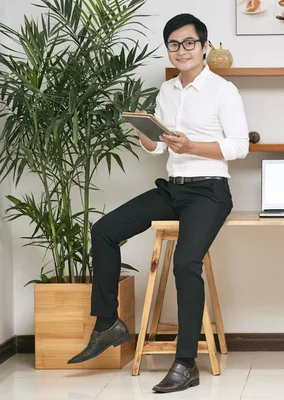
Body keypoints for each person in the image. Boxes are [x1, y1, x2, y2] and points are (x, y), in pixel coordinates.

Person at [68, 14, 249, 394]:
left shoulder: (223, 90)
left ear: (204, 47)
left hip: (210, 191)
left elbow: (239, 146)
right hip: (174, 188)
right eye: (173, 44)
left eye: (188, 43)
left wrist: (192, 146)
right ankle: (107, 324)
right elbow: (163, 145)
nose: (181, 50)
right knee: (104, 231)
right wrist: (148, 138)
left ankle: (186, 363)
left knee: (185, 262)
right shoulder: (167, 91)